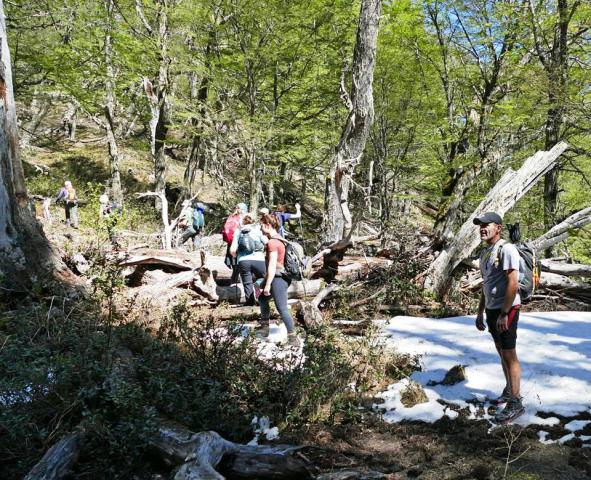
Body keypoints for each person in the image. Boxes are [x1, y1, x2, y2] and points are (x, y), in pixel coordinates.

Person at [474, 212, 524, 424]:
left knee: (509, 354)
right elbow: (486, 285)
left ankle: (516, 402)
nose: (483, 228)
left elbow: (513, 283)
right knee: (501, 352)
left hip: (507, 309)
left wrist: (504, 313)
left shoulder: (507, 249)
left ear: (499, 228)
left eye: (488, 225)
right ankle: (509, 389)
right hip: (492, 309)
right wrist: (480, 311)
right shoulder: (486, 252)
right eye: (481, 226)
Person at [256, 213, 301, 347]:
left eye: (261, 226)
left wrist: (268, 284)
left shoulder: (272, 243)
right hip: (280, 277)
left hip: (277, 278)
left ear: (268, 225)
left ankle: (293, 339)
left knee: (282, 308)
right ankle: (264, 327)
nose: (260, 229)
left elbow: (272, 265)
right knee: (262, 299)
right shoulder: (281, 239)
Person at [230, 213, 267, 306]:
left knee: (247, 282)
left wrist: (235, 256)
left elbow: (232, 250)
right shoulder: (258, 230)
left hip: (243, 260)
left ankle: (250, 303)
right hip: (259, 258)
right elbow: (267, 243)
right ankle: (260, 299)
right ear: (253, 220)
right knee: (261, 279)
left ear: (242, 221)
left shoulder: (238, 232)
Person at [222, 203, 248, 283]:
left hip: (231, 244)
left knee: (235, 266)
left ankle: (233, 282)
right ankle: (239, 283)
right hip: (240, 244)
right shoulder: (244, 218)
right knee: (241, 265)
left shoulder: (231, 217)